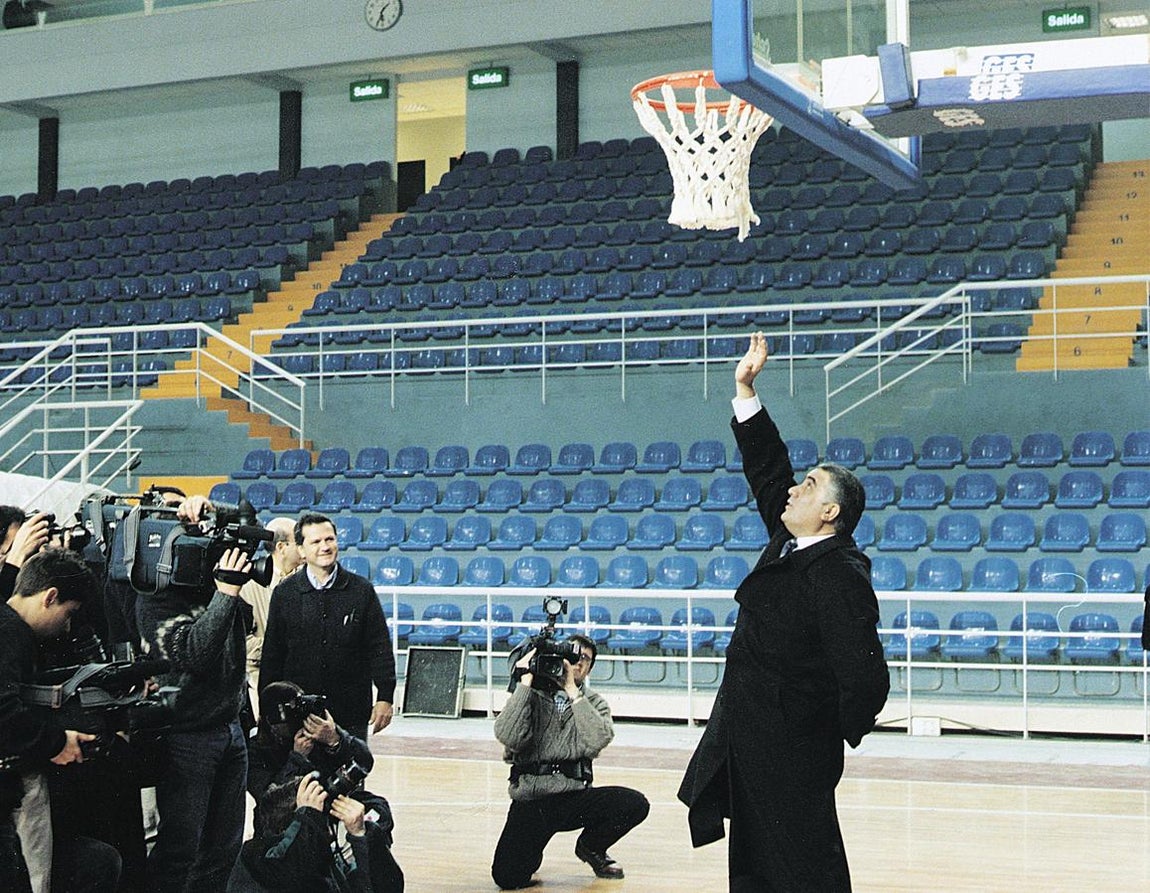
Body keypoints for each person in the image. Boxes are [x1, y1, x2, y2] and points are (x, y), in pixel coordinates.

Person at [678, 332, 890, 892]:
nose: (795, 489)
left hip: (794, 754)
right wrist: (746, 389)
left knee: (805, 870)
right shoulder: (790, 539)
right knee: (754, 871)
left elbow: (865, 677)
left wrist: (816, 736)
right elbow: (768, 470)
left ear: (830, 512)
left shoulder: (840, 574)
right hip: (750, 740)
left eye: (810, 485)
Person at [134, 495, 254, 893]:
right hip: (186, 737)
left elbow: (246, 519)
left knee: (224, 850)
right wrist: (226, 593)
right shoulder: (153, 598)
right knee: (180, 851)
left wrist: (212, 510)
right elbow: (195, 654)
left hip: (229, 727)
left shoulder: (215, 583)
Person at [1, 548, 121, 893]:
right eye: (68, 614)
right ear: (50, 597)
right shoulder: (10, 634)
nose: (67, 627)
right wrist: (56, 743)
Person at [491, 634, 649, 890]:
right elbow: (507, 735)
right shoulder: (531, 695)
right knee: (508, 878)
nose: (577, 664)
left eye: (584, 659)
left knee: (634, 804)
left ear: (589, 669)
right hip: (533, 800)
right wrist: (525, 683)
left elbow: (598, 739)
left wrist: (573, 693)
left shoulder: (594, 702)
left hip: (574, 798)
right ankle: (531, 852)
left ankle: (591, 847)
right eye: (572, 657)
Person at [259, 513, 395, 740]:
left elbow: (379, 648)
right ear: (301, 550)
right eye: (316, 542)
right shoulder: (285, 593)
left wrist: (385, 697)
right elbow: (273, 654)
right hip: (297, 715)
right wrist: (268, 708)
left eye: (329, 539)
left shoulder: (362, 590)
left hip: (350, 715)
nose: (325, 546)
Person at [227, 774, 394, 893]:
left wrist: (360, 836)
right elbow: (290, 874)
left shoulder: (321, 860)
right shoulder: (256, 858)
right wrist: (308, 818)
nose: (328, 830)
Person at [238, 518, 302, 722]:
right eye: (297, 542)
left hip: (300, 676)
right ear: (282, 547)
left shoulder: (309, 580)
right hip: (260, 678)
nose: (303, 549)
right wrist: (277, 648)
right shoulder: (247, 585)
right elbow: (240, 641)